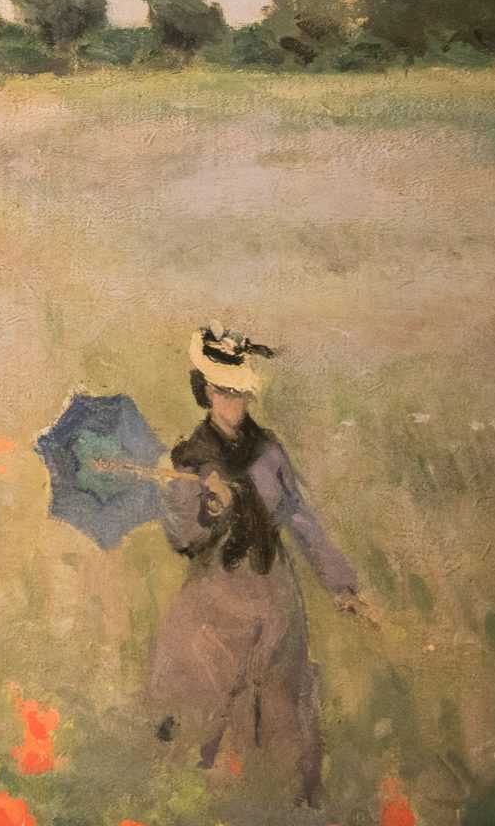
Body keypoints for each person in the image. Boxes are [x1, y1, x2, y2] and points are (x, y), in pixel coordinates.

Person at [148, 327, 363, 807]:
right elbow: (182, 538)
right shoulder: (187, 459)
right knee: (209, 714)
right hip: (217, 607)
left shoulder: (268, 452)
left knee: (286, 716)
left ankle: (289, 807)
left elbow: (301, 518)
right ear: (206, 391)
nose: (234, 403)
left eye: (241, 392)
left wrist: (341, 584)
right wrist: (212, 507)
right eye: (225, 392)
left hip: (275, 601)